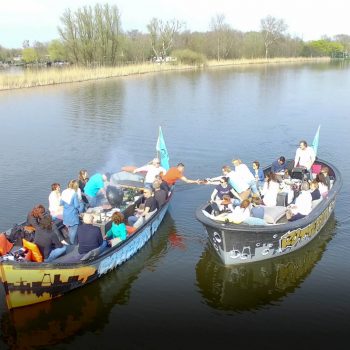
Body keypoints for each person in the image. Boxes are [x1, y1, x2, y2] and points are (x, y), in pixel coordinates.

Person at [61, 180, 85, 244]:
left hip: (65, 214)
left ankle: (71, 240)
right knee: (74, 230)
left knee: (69, 228)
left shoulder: (64, 192)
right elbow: (77, 205)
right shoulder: (74, 193)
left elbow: (61, 203)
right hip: (72, 215)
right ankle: (73, 243)